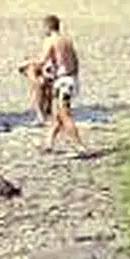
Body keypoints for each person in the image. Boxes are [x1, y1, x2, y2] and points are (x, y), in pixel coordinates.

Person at [37, 14, 88, 154]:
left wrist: (27, 64)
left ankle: (80, 146)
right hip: (70, 79)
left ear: (48, 27)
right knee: (56, 114)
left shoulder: (50, 41)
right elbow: (76, 61)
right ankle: (48, 143)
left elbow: (42, 60)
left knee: (64, 114)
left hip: (63, 81)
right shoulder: (67, 41)